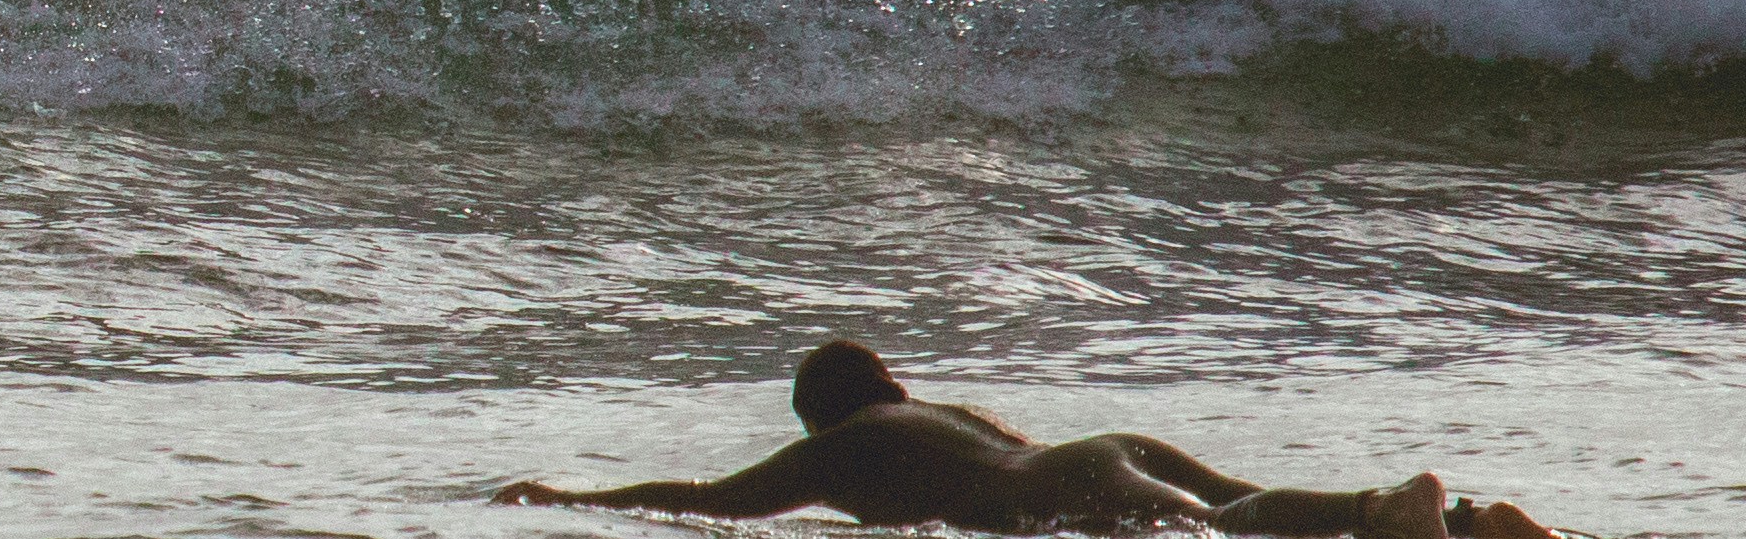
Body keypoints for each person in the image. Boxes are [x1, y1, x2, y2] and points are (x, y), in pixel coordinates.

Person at [495, 342, 1563, 537]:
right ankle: (1464, 527)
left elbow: (713, 500)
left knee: (1223, 532)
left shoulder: (844, 441)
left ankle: (1390, 515)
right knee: (1235, 503)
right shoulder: (944, 417)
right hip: (1098, 444)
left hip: (1056, 486)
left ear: (820, 416)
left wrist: (570, 499)